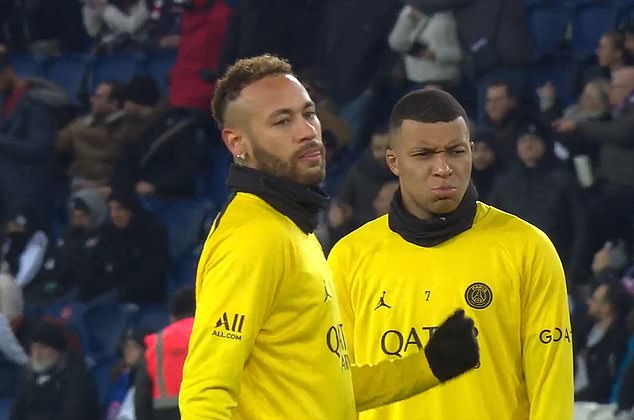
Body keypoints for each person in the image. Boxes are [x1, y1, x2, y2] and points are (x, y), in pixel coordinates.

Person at [179, 54, 480, 419]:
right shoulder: (253, 237)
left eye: (308, 113)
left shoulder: (291, 229)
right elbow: (205, 394)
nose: (307, 130)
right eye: (282, 121)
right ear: (237, 142)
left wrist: (427, 365)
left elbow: (326, 384)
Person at [328, 89, 573, 420]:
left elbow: (552, 388)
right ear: (393, 162)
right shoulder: (350, 256)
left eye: (456, 152)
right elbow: (338, 388)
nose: (443, 168)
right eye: (424, 154)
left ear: (471, 153)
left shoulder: (527, 248)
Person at [10, 319, 100, 420]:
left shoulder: (77, 378)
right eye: (34, 348)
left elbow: (72, 415)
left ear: (58, 352)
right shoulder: (29, 375)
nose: (37, 354)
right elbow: (16, 413)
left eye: (43, 348)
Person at [135, 287, 195, 420]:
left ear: (172, 316)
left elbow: (142, 394)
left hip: (164, 412)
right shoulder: (209, 333)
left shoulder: (157, 341)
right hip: (201, 407)